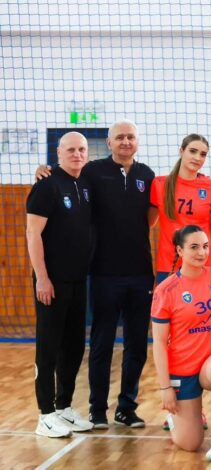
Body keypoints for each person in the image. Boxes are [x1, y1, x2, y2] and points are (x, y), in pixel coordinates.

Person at [35, 120, 155, 429]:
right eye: (119, 137)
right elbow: (64, 176)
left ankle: (126, 407)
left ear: (137, 142)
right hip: (103, 273)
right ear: (109, 142)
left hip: (141, 274)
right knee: (101, 343)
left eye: (131, 137)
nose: (125, 142)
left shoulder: (147, 175)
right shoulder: (92, 172)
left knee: (137, 345)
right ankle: (97, 409)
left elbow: (150, 217)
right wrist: (43, 170)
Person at [27, 132, 94, 438]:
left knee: (74, 346)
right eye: (71, 150)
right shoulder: (46, 185)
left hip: (78, 280)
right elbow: (33, 234)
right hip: (51, 282)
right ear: (58, 153)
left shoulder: (84, 183)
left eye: (82, 149)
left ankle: (63, 406)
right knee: (49, 347)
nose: (77, 154)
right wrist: (42, 277)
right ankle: (45, 415)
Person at [150, 225, 211, 461]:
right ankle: (179, 418)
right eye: (194, 247)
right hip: (183, 367)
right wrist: (165, 388)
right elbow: (159, 342)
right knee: (190, 444)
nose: (201, 252)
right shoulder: (166, 289)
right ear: (179, 250)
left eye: (205, 246)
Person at [149, 134, 211, 285]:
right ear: (181, 151)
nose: (197, 158)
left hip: (203, 264)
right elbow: (149, 222)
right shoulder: (159, 184)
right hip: (169, 265)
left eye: (203, 154)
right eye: (192, 151)